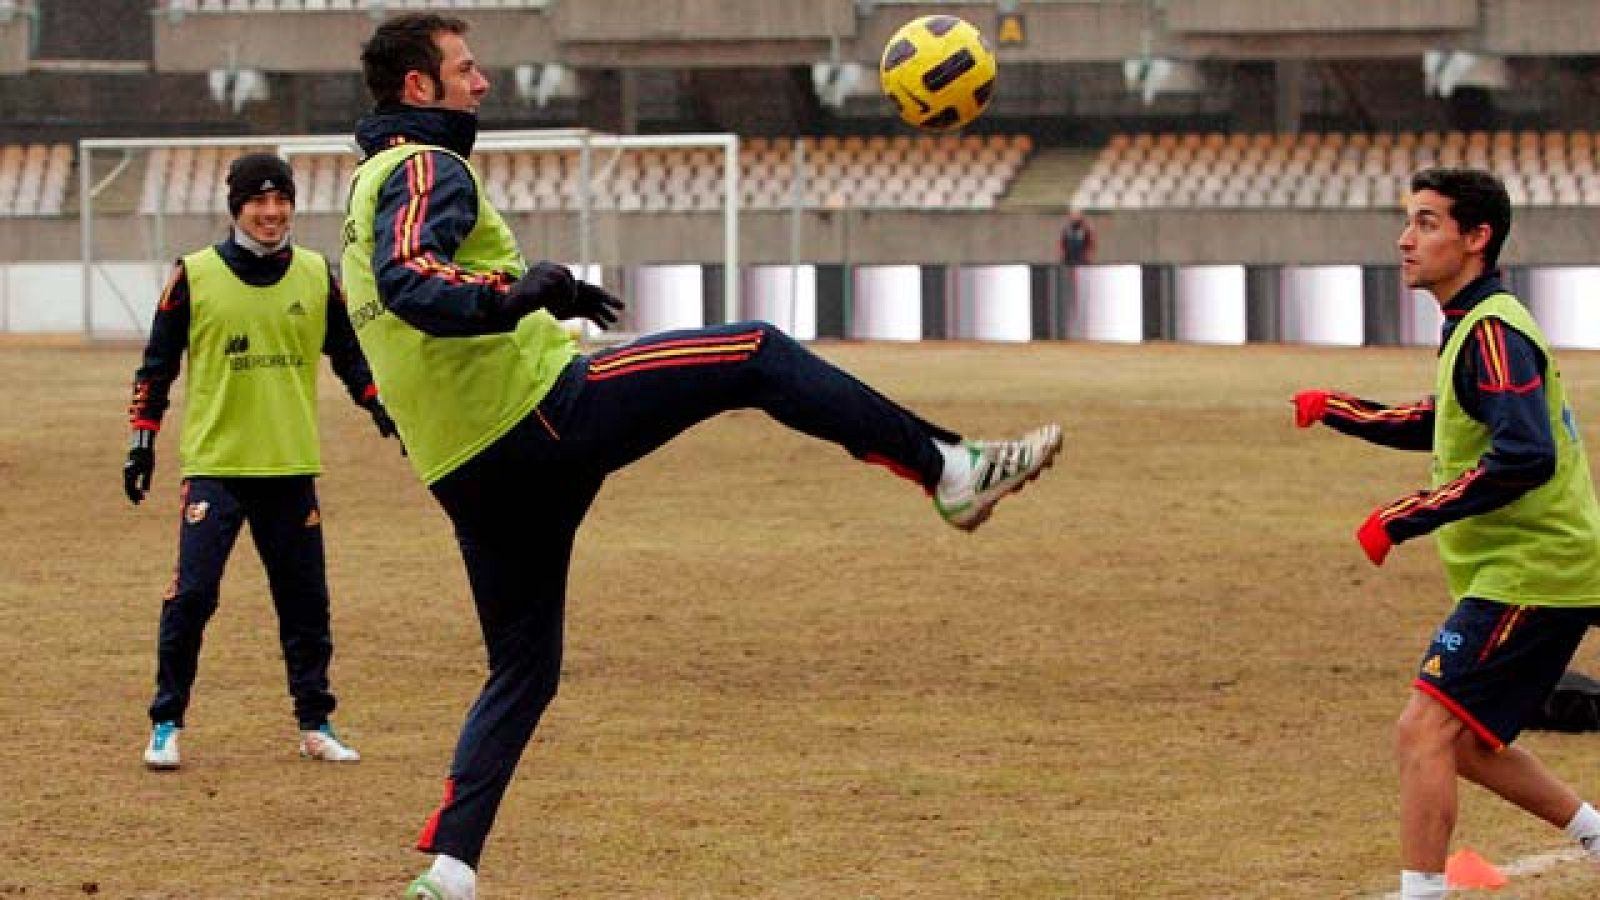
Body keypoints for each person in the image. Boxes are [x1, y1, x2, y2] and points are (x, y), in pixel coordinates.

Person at [343, 14, 1062, 899]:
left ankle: (451, 869)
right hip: (538, 418)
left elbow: (388, 301)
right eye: (466, 68)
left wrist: (547, 289)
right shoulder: (428, 164)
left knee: (523, 670)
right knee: (754, 352)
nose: (482, 83)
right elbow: (415, 277)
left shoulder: (364, 185)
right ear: (420, 88)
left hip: (465, 474)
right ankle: (948, 469)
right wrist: (517, 291)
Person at [1291, 167, 1600, 900]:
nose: (1406, 240)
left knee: (1423, 731)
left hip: (1534, 569)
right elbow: (1441, 419)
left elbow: (1524, 456)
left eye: (1427, 222)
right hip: (1537, 566)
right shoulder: (1477, 326)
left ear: (1476, 237)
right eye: (1409, 221)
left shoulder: (1493, 331)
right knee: (1465, 742)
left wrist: (1403, 518)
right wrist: (1338, 407)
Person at [124, 152, 400, 771]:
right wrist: (141, 441)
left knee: (306, 603)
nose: (272, 213)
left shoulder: (314, 273)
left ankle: (315, 723)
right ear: (237, 208)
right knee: (192, 596)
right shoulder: (192, 275)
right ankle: (167, 722)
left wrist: (381, 407)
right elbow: (156, 366)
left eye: (281, 202)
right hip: (217, 466)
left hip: (289, 465)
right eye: (259, 202)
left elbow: (350, 357)